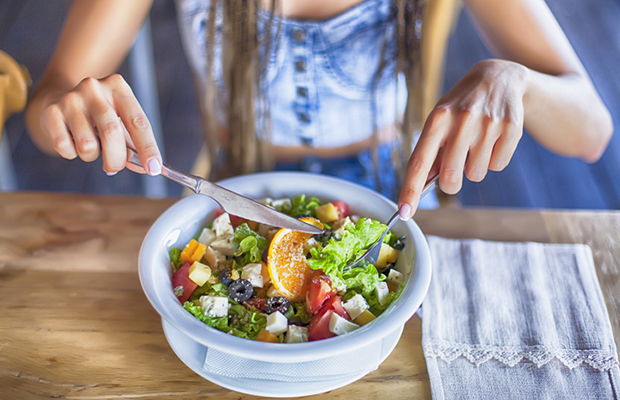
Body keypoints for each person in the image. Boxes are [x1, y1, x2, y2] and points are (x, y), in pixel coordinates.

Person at [25, 0, 612, 220]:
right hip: (235, 194)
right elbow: (49, 96)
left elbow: (592, 130)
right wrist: (64, 112)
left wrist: (516, 82)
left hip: (396, 203)